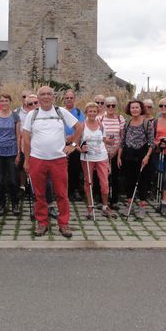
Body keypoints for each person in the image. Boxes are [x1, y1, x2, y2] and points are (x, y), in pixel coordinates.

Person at [23, 86, 83, 238]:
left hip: (58, 160)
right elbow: (26, 138)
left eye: (49, 94)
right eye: (42, 94)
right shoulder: (32, 114)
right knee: (39, 194)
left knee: (62, 194)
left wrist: (73, 146)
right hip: (37, 159)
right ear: (38, 97)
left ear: (53, 96)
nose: (45, 97)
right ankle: (42, 223)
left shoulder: (61, 112)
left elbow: (79, 127)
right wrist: (27, 160)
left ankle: (63, 224)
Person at [118, 100, 154, 220]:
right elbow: (122, 141)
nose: (134, 109)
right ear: (129, 109)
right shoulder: (127, 123)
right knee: (129, 181)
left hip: (142, 156)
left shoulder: (147, 123)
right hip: (128, 156)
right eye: (132, 107)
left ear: (141, 109)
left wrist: (147, 156)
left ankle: (142, 207)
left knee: (142, 182)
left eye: (137, 107)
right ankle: (129, 205)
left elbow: (152, 143)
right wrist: (119, 156)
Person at [79, 102, 116, 219]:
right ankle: (90, 207)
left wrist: (110, 141)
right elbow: (75, 142)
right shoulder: (82, 125)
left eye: (94, 111)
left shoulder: (101, 125)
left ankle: (105, 206)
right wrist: (80, 149)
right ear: (86, 112)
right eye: (90, 111)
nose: (92, 113)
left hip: (101, 156)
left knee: (104, 183)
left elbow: (104, 139)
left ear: (97, 112)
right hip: (87, 157)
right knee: (88, 182)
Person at [0, 93, 21, 216]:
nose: (4, 103)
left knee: (13, 180)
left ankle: (15, 204)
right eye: (1, 101)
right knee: (0, 180)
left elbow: (18, 136)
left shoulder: (15, 116)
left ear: (10, 102)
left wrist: (18, 153)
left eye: (6, 100)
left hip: (12, 152)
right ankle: (1, 205)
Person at [98, 96, 125, 211]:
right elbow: (97, 136)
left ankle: (114, 201)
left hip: (116, 153)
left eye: (113, 105)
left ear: (116, 106)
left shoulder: (120, 119)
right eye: (108, 105)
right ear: (104, 106)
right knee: (103, 177)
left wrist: (116, 152)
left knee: (115, 177)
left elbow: (122, 137)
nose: (110, 107)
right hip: (102, 153)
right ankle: (102, 201)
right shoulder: (100, 119)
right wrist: (105, 142)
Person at [63, 89, 85, 200]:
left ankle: (75, 189)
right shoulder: (60, 112)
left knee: (75, 167)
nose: (69, 100)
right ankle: (65, 191)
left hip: (74, 143)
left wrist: (72, 138)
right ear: (64, 99)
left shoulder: (79, 112)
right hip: (61, 143)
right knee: (62, 168)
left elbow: (80, 128)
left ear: (74, 99)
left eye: (71, 98)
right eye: (67, 98)